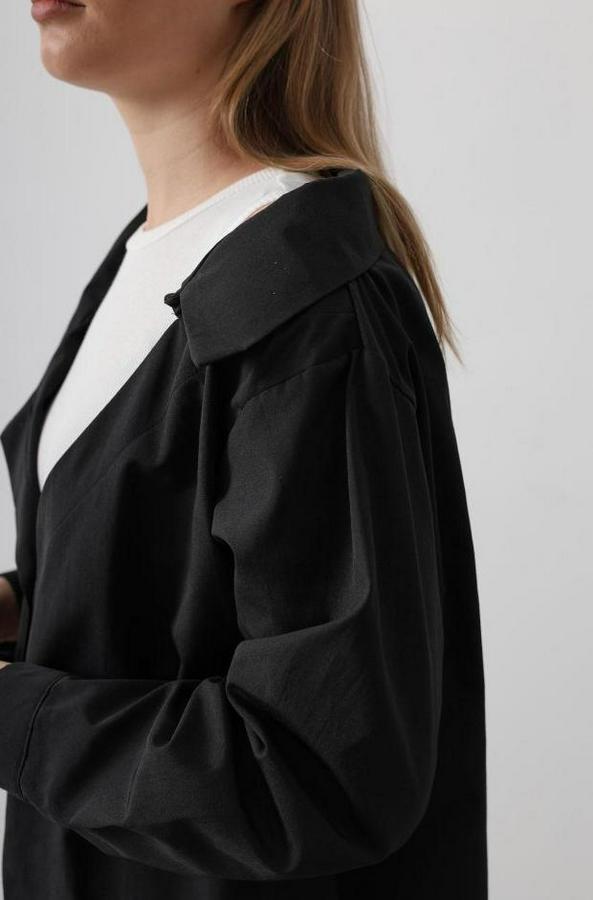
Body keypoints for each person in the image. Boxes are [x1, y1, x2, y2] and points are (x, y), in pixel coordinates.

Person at [0, 1, 487, 898]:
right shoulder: (151, 259)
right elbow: (183, 585)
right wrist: (20, 608)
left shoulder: (306, 301)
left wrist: (13, 717)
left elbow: (312, 770)